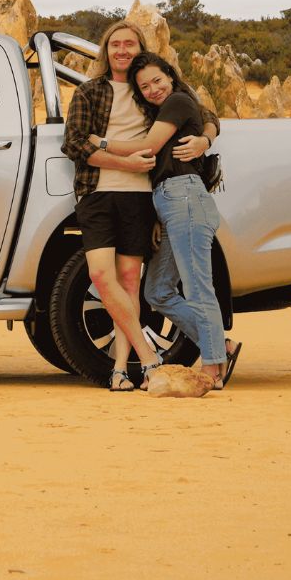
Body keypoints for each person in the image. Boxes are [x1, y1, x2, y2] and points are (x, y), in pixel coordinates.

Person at [62, 22, 218, 391]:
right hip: (97, 192)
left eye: (129, 44)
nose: (122, 50)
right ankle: (149, 359)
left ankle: (120, 369)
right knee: (102, 278)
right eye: (115, 44)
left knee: (131, 282)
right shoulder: (89, 91)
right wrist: (122, 162)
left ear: (140, 50)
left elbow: (204, 114)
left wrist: (204, 140)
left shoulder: (150, 90)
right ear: (106, 50)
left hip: (142, 197)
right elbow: (75, 144)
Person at [96, 51, 239, 390]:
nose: (153, 89)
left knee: (198, 286)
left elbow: (148, 146)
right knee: (157, 291)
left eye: (157, 80)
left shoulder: (176, 101)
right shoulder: (168, 110)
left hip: (185, 197)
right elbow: (209, 119)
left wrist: (97, 141)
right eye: (144, 86)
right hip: (169, 201)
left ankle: (213, 369)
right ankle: (222, 346)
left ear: (171, 77)